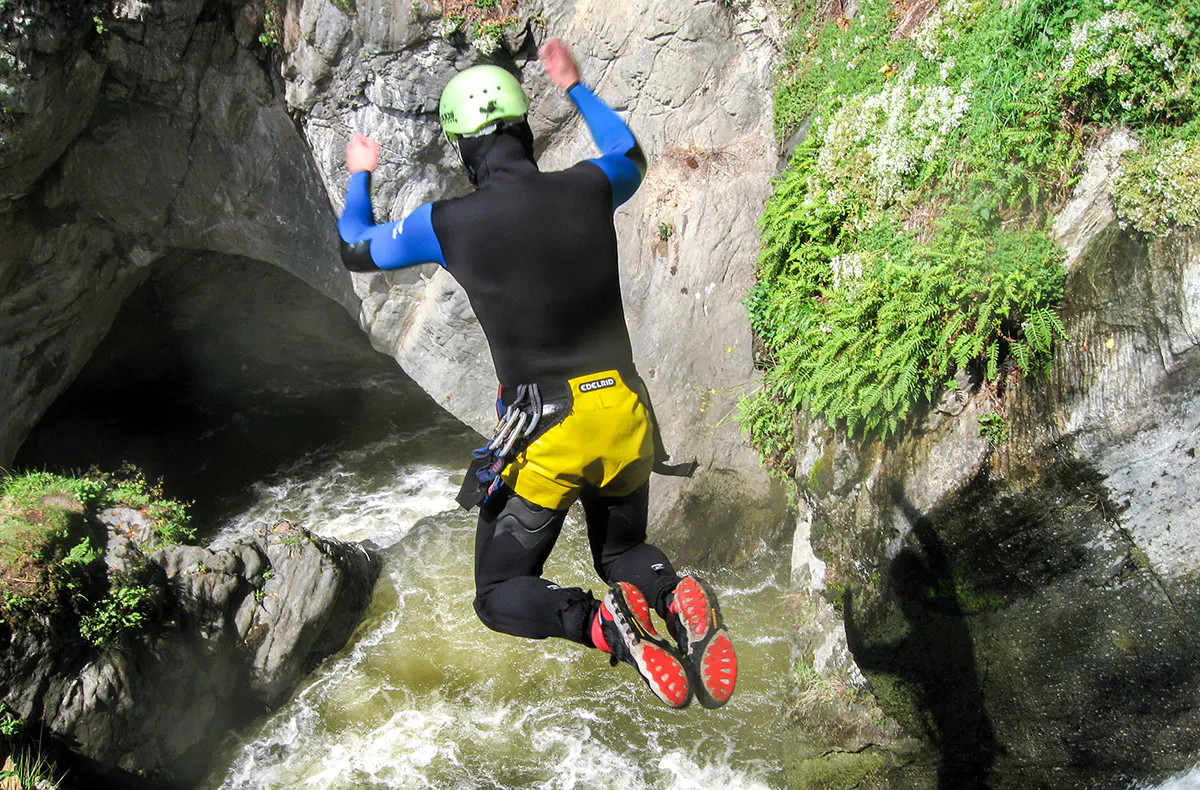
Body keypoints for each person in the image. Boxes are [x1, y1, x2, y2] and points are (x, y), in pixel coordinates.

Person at [337, 38, 736, 709]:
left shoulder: (449, 223)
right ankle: (673, 593)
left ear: (465, 151)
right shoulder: (588, 185)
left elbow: (354, 246)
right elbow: (631, 156)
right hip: (626, 416)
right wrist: (576, 87)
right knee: (623, 554)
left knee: (496, 594)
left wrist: (359, 174)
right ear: (525, 129)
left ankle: (602, 625)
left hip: (549, 435)